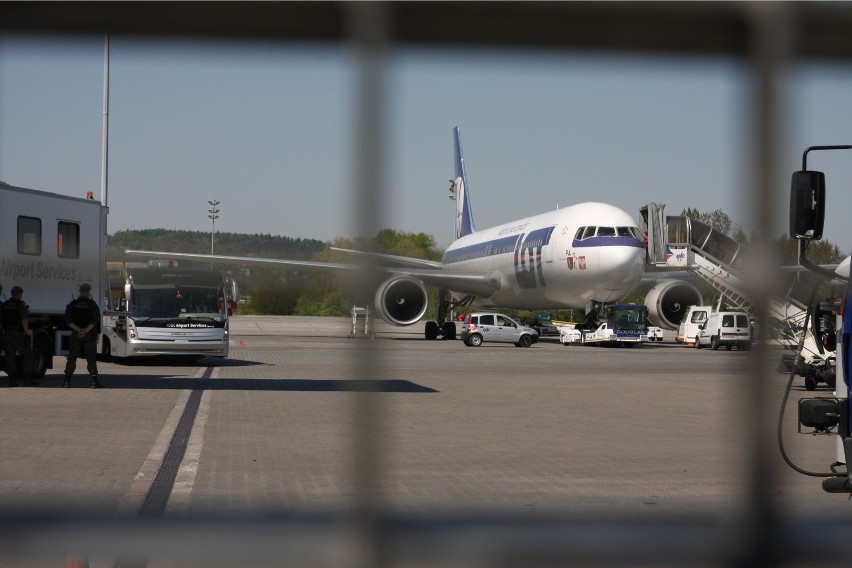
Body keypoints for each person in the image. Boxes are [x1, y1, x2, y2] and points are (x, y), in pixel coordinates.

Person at [64, 283, 103, 388]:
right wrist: (85, 331)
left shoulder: (72, 304)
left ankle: (66, 382)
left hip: (75, 335)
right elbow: (95, 320)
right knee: (91, 358)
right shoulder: (92, 304)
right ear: (87, 292)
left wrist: (78, 330)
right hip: (89, 335)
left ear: (80, 292)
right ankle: (94, 382)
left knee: (71, 358)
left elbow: (67, 320)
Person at [1, 285, 37, 387]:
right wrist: (26, 331)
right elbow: (24, 319)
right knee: (27, 355)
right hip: (18, 333)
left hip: (7, 333)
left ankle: (12, 381)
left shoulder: (4, 305)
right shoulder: (21, 305)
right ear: (20, 294)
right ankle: (27, 380)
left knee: (10, 357)